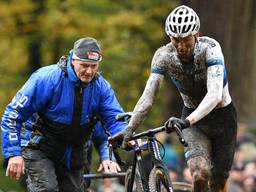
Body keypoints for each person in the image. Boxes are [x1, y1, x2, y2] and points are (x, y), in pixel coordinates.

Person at [113, 5, 237, 192]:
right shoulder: (163, 55)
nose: (181, 46)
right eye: (175, 40)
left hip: (222, 117)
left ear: (196, 34)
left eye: (186, 40)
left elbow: (214, 94)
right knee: (199, 174)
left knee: (219, 182)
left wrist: (186, 121)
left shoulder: (210, 48)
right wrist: (130, 127)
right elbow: (148, 97)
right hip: (193, 123)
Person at [1, 37, 127, 192]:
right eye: (84, 65)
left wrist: (128, 134)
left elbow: (114, 119)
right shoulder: (47, 79)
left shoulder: (101, 88)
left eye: (94, 66)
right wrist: (13, 153)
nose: (89, 71)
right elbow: (12, 114)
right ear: (73, 60)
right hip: (40, 148)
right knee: (47, 189)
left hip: (74, 153)